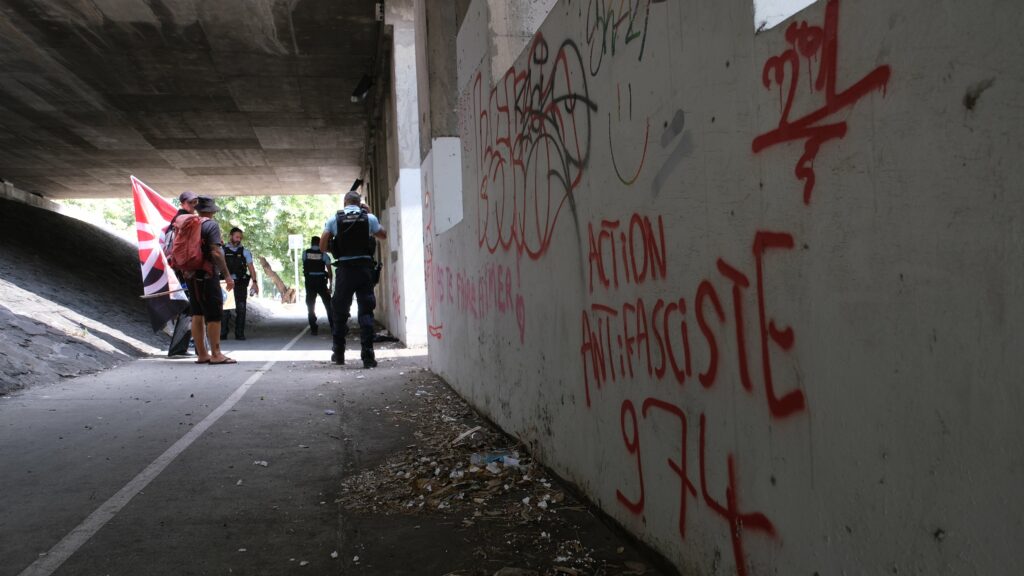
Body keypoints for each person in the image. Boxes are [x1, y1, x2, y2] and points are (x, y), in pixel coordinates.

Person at [321, 191, 387, 368]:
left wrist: (336, 247)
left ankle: (339, 352)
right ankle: (368, 355)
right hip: (364, 269)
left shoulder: (335, 219)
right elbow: (383, 235)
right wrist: (370, 213)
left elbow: (322, 245)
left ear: (345, 203)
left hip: (345, 270)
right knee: (366, 311)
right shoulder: (369, 218)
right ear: (360, 203)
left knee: (340, 312)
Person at [186, 196, 235, 365]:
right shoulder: (210, 225)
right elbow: (215, 252)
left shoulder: (189, 223)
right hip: (207, 275)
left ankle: (202, 354)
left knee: (197, 313)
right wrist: (227, 275)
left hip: (191, 274)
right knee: (214, 314)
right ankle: (216, 354)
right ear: (212, 211)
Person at [221, 227, 259, 340]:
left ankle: (239, 333)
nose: (239, 239)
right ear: (231, 236)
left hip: (240, 283)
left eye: (240, 238)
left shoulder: (245, 252)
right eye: (237, 237)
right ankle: (223, 334)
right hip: (226, 283)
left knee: (241, 308)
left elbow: (251, 268)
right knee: (225, 310)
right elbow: (217, 266)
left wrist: (255, 282)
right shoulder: (222, 251)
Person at [303, 236, 333, 335]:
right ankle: (333, 327)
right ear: (319, 243)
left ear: (311, 243)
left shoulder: (305, 253)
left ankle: (313, 328)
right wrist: (330, 287)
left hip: (310, 282)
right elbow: (329, 272)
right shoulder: (324, 255)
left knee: (310, 305)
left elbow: (305, 266)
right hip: (321, 282)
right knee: (328, 305)